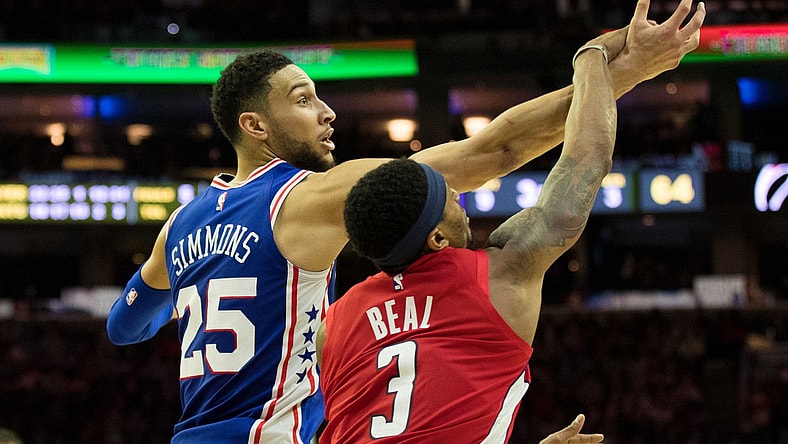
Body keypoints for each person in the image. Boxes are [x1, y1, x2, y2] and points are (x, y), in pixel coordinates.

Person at [105, 0, 706, 442]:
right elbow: (492, 152)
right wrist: (620, 72)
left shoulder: (180, 225)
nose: (327, 112)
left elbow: (124, 328)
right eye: (304, 99)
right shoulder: (309, 196)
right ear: (255, 127)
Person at [315, 2, 705, 442]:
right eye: (448, 199)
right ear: (438, 238)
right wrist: (592, 53)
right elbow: (586, 161)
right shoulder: (502, 273)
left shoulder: (333, 322)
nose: (460, 195)